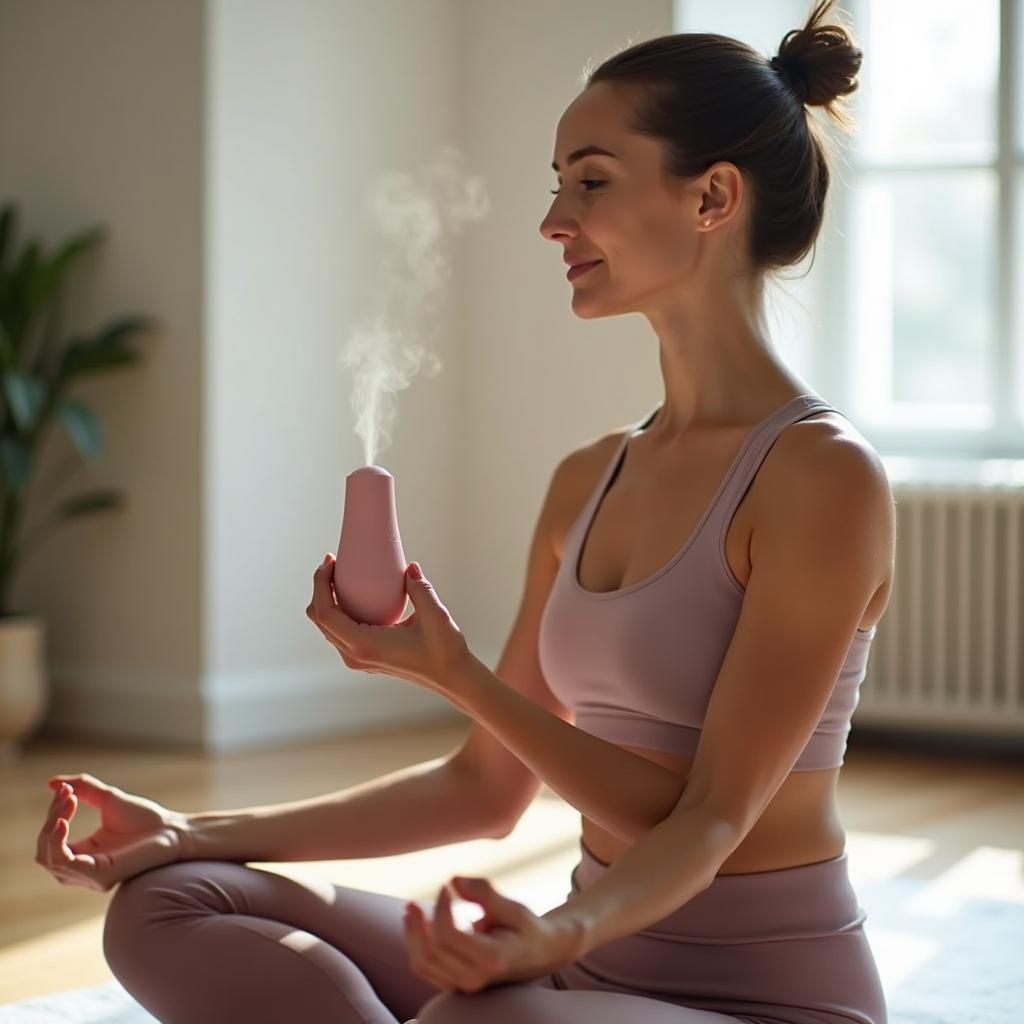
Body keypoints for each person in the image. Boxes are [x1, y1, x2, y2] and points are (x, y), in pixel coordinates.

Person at [36, 2, 894, 1021]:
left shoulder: (820, 477)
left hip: (764, 1000)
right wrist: (187, 830)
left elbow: (709, 821)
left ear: (710, 196)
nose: (552, 220)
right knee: (168, 904)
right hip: (588, 968)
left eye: (590, 180)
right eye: (555, 185)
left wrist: (466, 701)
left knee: (477, 1017)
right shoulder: (590, 476)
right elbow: (487, 789)